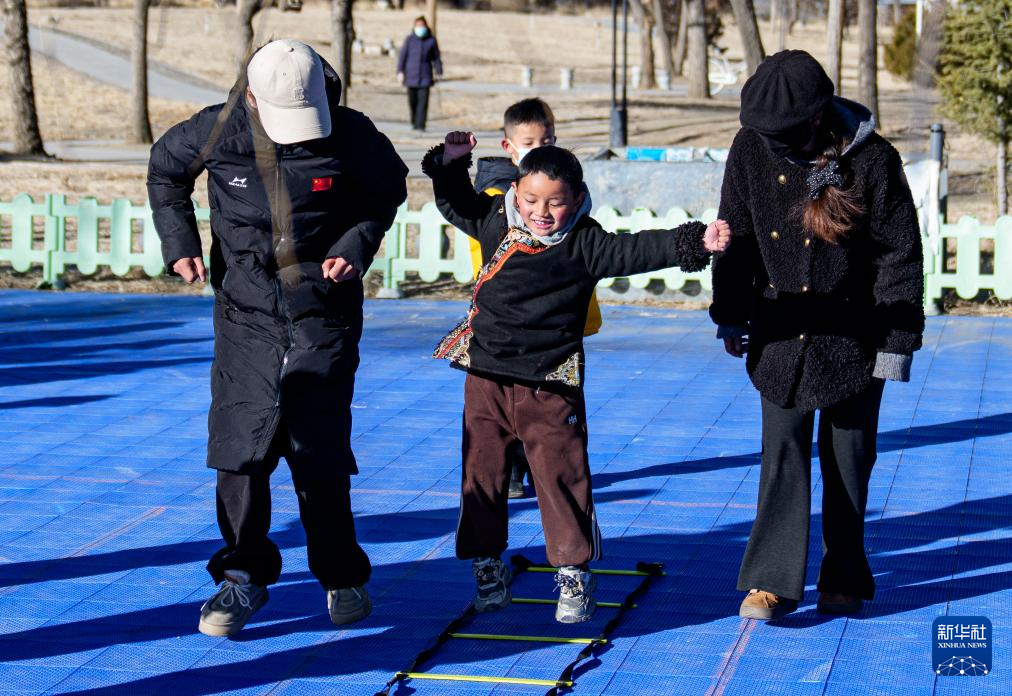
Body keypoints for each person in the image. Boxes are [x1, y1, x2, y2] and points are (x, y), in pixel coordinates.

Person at [147, 39, 408, 637]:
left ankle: (341, 575)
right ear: (253, 98)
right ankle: (242, 576)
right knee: (240, 450)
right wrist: (179, 240)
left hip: (323, 310)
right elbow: (165, 170)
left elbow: (386, 190)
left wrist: (355, 245)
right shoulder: (216, 130)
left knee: (318, 449)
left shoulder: (351, 132)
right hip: (245, 312)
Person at [424, 134, 730, 623]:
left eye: (556, 202)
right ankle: (486, 564)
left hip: (548, 382)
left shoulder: (585, 243)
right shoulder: (495, 219)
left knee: (560, 476)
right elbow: (454, 202)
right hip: (486, 377)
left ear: (579, 199)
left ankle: (572, 572)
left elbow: (636, 250)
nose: (541, 212)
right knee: (482, 475)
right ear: (516, 192)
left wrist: (695, 241)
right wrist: (450, 164)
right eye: (531, 199)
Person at [709, 50, 924, 621]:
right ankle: (771, 582)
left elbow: (899, 254)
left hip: (856, 336)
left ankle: (843, 576)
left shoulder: (873, 160)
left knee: (849, 459)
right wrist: (730, 313)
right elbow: (735, 232)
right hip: (779, 332)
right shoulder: (749, 149)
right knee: (782, 455)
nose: (768, 142)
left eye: (779, 133)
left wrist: (896, 344)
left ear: (814, 118)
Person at [471, 97, 604, 499]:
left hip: (557, 317)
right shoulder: (498, 201)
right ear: (509, 147)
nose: (538, 148)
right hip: (509, 318)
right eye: (529, 143)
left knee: (553, 402)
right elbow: (488, 254)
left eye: (546, 140)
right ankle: (513, 466)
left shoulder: (563, 192)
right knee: (506, 399)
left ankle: (546, 466)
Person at [396, 16, 443, 131]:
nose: (420, 28)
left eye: (422, 25)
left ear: (426, 26)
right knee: (413, 102)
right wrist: (400, 71)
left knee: (423, 102)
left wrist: (438, 70)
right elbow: (403, 56)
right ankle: (414, 121)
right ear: (414, 27)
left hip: (425, 76)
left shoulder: (431, 40)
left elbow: (436, 58)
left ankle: (421, 125)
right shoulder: (409, 40)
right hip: (411, 76)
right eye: (418, 26)